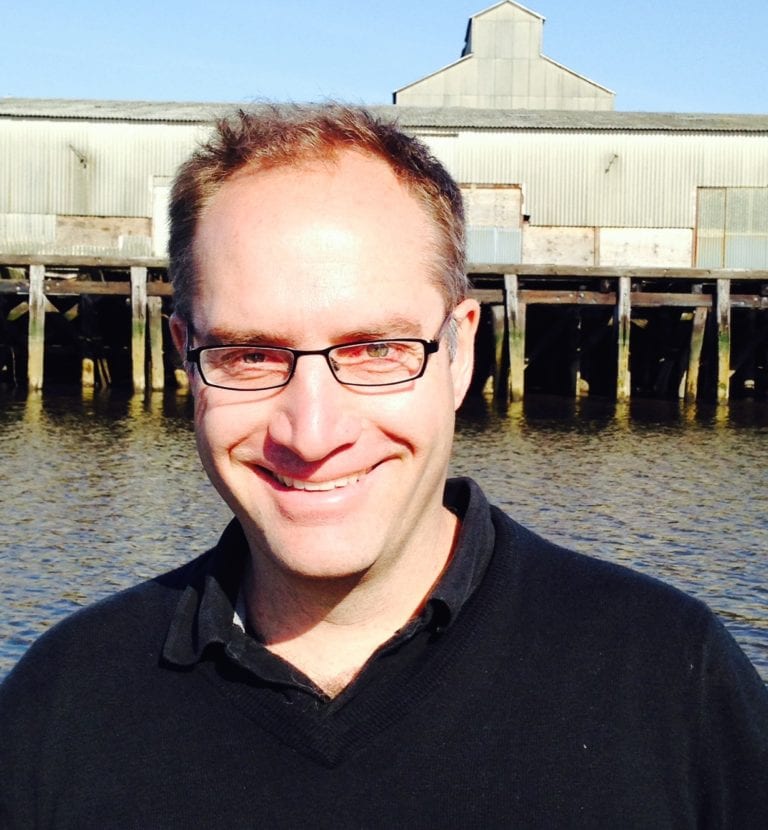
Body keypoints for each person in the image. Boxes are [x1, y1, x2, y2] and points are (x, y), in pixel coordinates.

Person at [1, 104, 766, 828]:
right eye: (249, 354)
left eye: (376, 351)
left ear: (460, 353)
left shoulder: (670, 679)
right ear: (187, 361)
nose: (312, 431)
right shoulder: (62, 703)